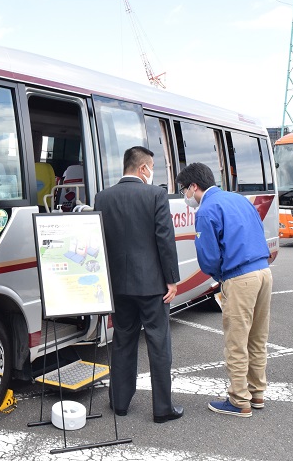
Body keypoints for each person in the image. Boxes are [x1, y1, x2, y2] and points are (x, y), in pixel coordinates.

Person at [93, 146, 183, 423]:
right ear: (143, 168)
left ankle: (119, 403)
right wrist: (172, 280)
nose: (152, 171)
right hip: (152, 284)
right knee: (158, 343)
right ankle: (162, 408)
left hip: (118, 285)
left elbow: (100, 242)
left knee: (122, 340)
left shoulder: (102, 197)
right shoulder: (155, 194)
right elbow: (164, 239)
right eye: (151, 166)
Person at [175, 162, 272, 418]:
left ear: (194, 186)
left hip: (239, 277)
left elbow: (208, 258)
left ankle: (239, 400)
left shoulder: (206, 211)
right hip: (264, 272)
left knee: (236, 342)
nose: (185, 195)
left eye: (184, 189)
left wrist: (222, 278)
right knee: (257, 338)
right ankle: (257, 393)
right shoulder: (239, 199)